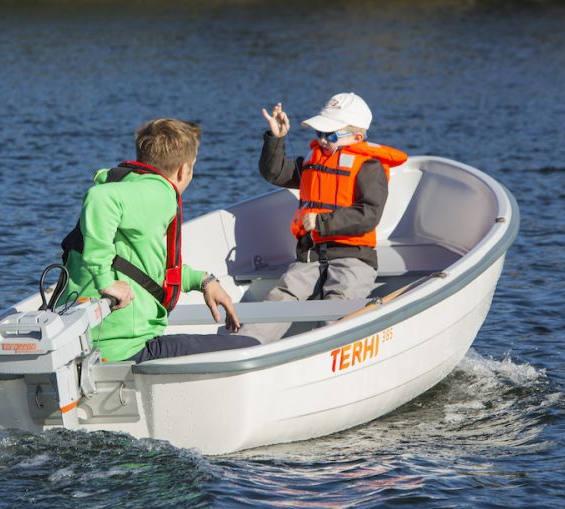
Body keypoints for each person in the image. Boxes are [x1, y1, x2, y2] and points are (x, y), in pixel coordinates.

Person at [58, 118, 259, 363]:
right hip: (125, 349)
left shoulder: (128, 185)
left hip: (82, 346)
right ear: (184, 169)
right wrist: (104, 280)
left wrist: (203, 280)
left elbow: (145, 266)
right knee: (252, 347)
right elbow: (100, 199)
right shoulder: (160, 192)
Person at [237, 93, 408, 344]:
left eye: (330, 135)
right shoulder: (311, 160)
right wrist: (277, 138)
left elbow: (369, 215)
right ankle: (244, 346)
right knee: (282, 297)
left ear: (357, 137)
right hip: (311, 256)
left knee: (338, 309)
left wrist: (321, 221)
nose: (322, 140)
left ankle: (324, 353)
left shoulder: (369, 168)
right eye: (319, 133)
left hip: (354, 259)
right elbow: (275, 172)